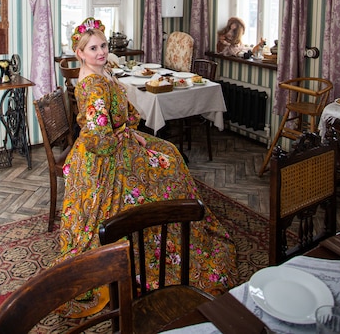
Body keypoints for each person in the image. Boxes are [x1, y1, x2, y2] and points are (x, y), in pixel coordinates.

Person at [54, 17, 237, 319]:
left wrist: (127, 130)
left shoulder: (101, 73)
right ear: (80, 53)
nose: (101, 52)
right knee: (168, 158)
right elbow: (99, 138)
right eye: (93, 48)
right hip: (104, 157)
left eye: (103, 45)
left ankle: (168, 216)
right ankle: (164, 221)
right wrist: (127, 142)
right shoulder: (94, 85)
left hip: (111, 144)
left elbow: (120, 116)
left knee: (169, 152)